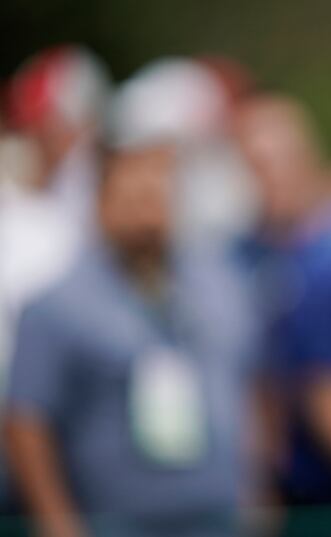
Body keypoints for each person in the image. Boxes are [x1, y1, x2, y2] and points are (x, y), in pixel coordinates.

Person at [3, 143, 254, 537]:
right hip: (115, 522)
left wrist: (256, 487)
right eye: (133, 195)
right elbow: (26, 419)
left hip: (217, 516)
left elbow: (247, 384)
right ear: (101, 203)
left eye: (157, 193)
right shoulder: (55, 304)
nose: (147, 212)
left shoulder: (219, 283)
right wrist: (56, 520)